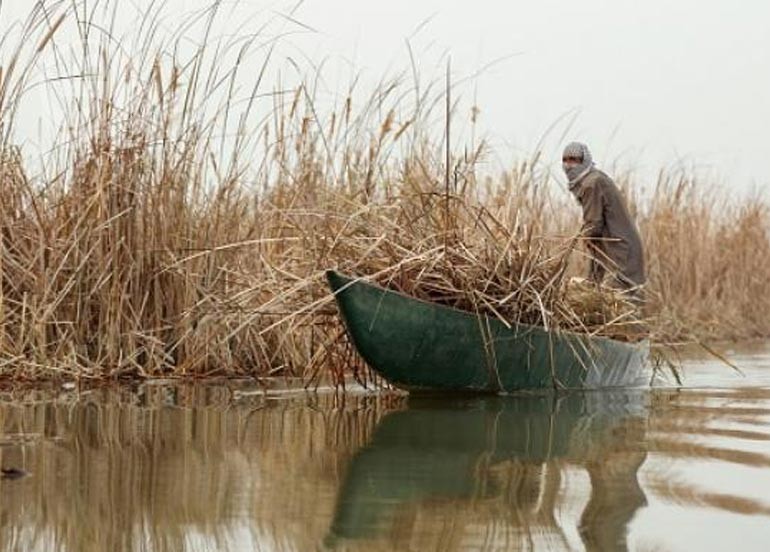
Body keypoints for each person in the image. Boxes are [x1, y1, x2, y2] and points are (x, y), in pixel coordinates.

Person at [562, 142, 646, 296]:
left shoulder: (591, 183)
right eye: (566, 160)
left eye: (574, 160)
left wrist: (581, 240)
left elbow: (593, 224)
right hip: (617, 248)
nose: (569, 165)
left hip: (620, 250)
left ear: (584, 161)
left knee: (622, 299)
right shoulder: (593, 179)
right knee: (607, 294)